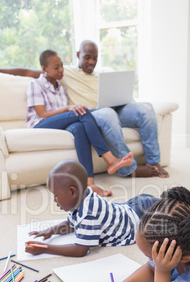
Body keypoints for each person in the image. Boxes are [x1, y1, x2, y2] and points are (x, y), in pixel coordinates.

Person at [25, 159, 190, 258]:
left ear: (72, 192)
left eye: (56, 196)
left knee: (189, 218)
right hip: (134, 206)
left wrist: (46, 248)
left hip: (143, 217)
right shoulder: (83, 197)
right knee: (180, 207)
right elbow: (72, 223)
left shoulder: (89, 212)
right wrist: (50, 231)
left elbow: (80, 249)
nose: (54, 201)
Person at [25, 49, 133, 197]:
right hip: (39, 124)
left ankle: (89, 183)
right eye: (56, 68)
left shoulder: (61, 89)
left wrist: (68, 110)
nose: (61, 70)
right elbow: (42, 114)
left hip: (58, 125)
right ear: (44, 69)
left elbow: (63, 117)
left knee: (79, 127)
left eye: (62, 66)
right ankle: (110, 159)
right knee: (83, 111)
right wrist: (68, 108)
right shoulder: (35, 84)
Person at [61, 40, 169, 179]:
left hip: (113, 108)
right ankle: (128, 168)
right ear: (78, 55)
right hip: (91, 115)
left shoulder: (102, 74)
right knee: (108, 113)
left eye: (95, 58)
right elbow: (35, 70)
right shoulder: (67, 73)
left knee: (146, 108)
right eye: (87, 57)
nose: (91, 62)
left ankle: (154, 162)